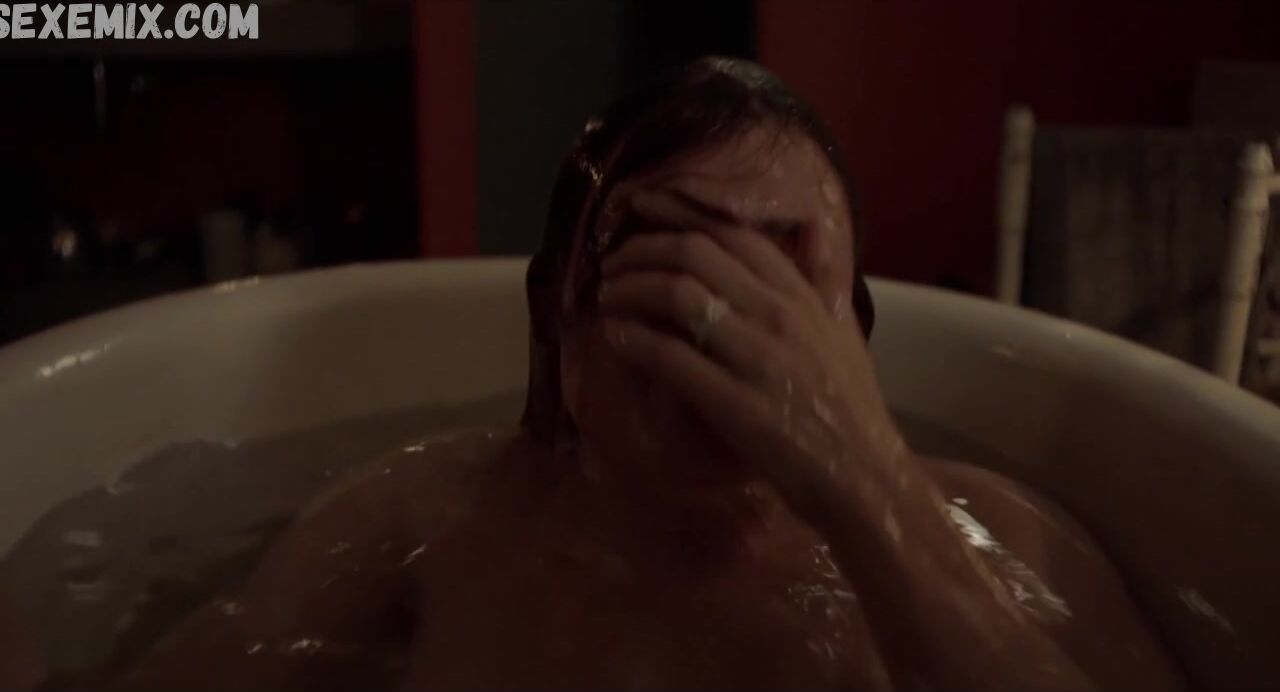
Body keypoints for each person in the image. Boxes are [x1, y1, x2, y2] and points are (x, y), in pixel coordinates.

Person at [98, 58, 1183, 691]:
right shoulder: (421, 520)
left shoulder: (1009, 547)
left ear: (849, 338)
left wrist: (871, 493)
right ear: (558, 333)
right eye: (661, 258)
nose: (724, 325)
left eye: (777, 268)